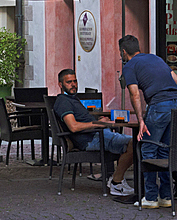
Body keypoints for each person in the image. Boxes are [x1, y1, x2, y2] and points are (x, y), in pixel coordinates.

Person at [120, 34, 177, 209]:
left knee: (148, 149)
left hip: (158, 105)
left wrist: (141, 119)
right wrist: (176, 102)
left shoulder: (130, 66)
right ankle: (166, 196)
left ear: (123, 52)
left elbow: (134, 94)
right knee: (165, 151)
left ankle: (150, 197)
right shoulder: (156, 59)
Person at [52, 69, 135, 197]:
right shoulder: (63, 101)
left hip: (97, 134)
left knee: (135, 143)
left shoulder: (73, 99)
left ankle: (116, 179)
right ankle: (116, 182)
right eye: (69, 82)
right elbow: (73, 127)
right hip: (90, 140)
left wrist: (98, 121)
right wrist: (97, 124)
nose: (73, 84)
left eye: (75, 81)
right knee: (134, 143)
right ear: (60, 84)